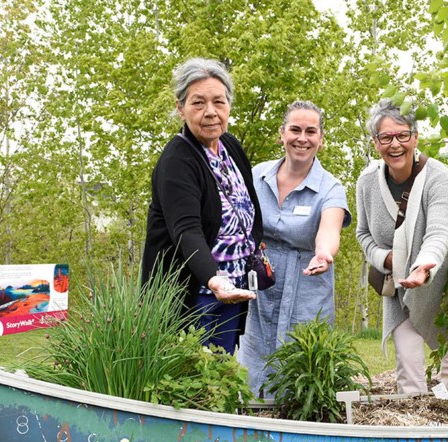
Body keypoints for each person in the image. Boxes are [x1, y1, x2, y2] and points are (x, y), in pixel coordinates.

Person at [139, 58, 262, 354]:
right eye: (198, 103)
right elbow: (186, 229)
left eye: (219, 101)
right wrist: (213, 278)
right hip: (194, 295)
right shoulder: (177, 160)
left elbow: (249, 204)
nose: (211, 112)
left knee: (219, 374)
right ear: (181, 108)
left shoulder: (230, 146)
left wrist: (255, 245)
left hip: (230, 290)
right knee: (188, 383)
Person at [355, 99, 448, 394]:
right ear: (376, 142)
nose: (395, 144)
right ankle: (415, 431)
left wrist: (424, 265)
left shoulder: (439, 177)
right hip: (399, 281)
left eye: (402, 135)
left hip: (443, 276)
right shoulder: (367, 182)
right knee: (408, 365)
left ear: (415, 137)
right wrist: (387, 259)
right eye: (386, 137)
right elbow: (363, 234)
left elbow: (439, 230)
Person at [237, 101, 351, 395]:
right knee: (251, 368)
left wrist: (324, 253)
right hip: (260, 287)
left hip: (306, 287)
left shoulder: (331, 187)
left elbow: (330, 228)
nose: (303, 138)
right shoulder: (256, 176)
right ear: (282, 134)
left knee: (301, 374)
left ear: (321, 139)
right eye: (295, 129)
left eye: (311, 131)